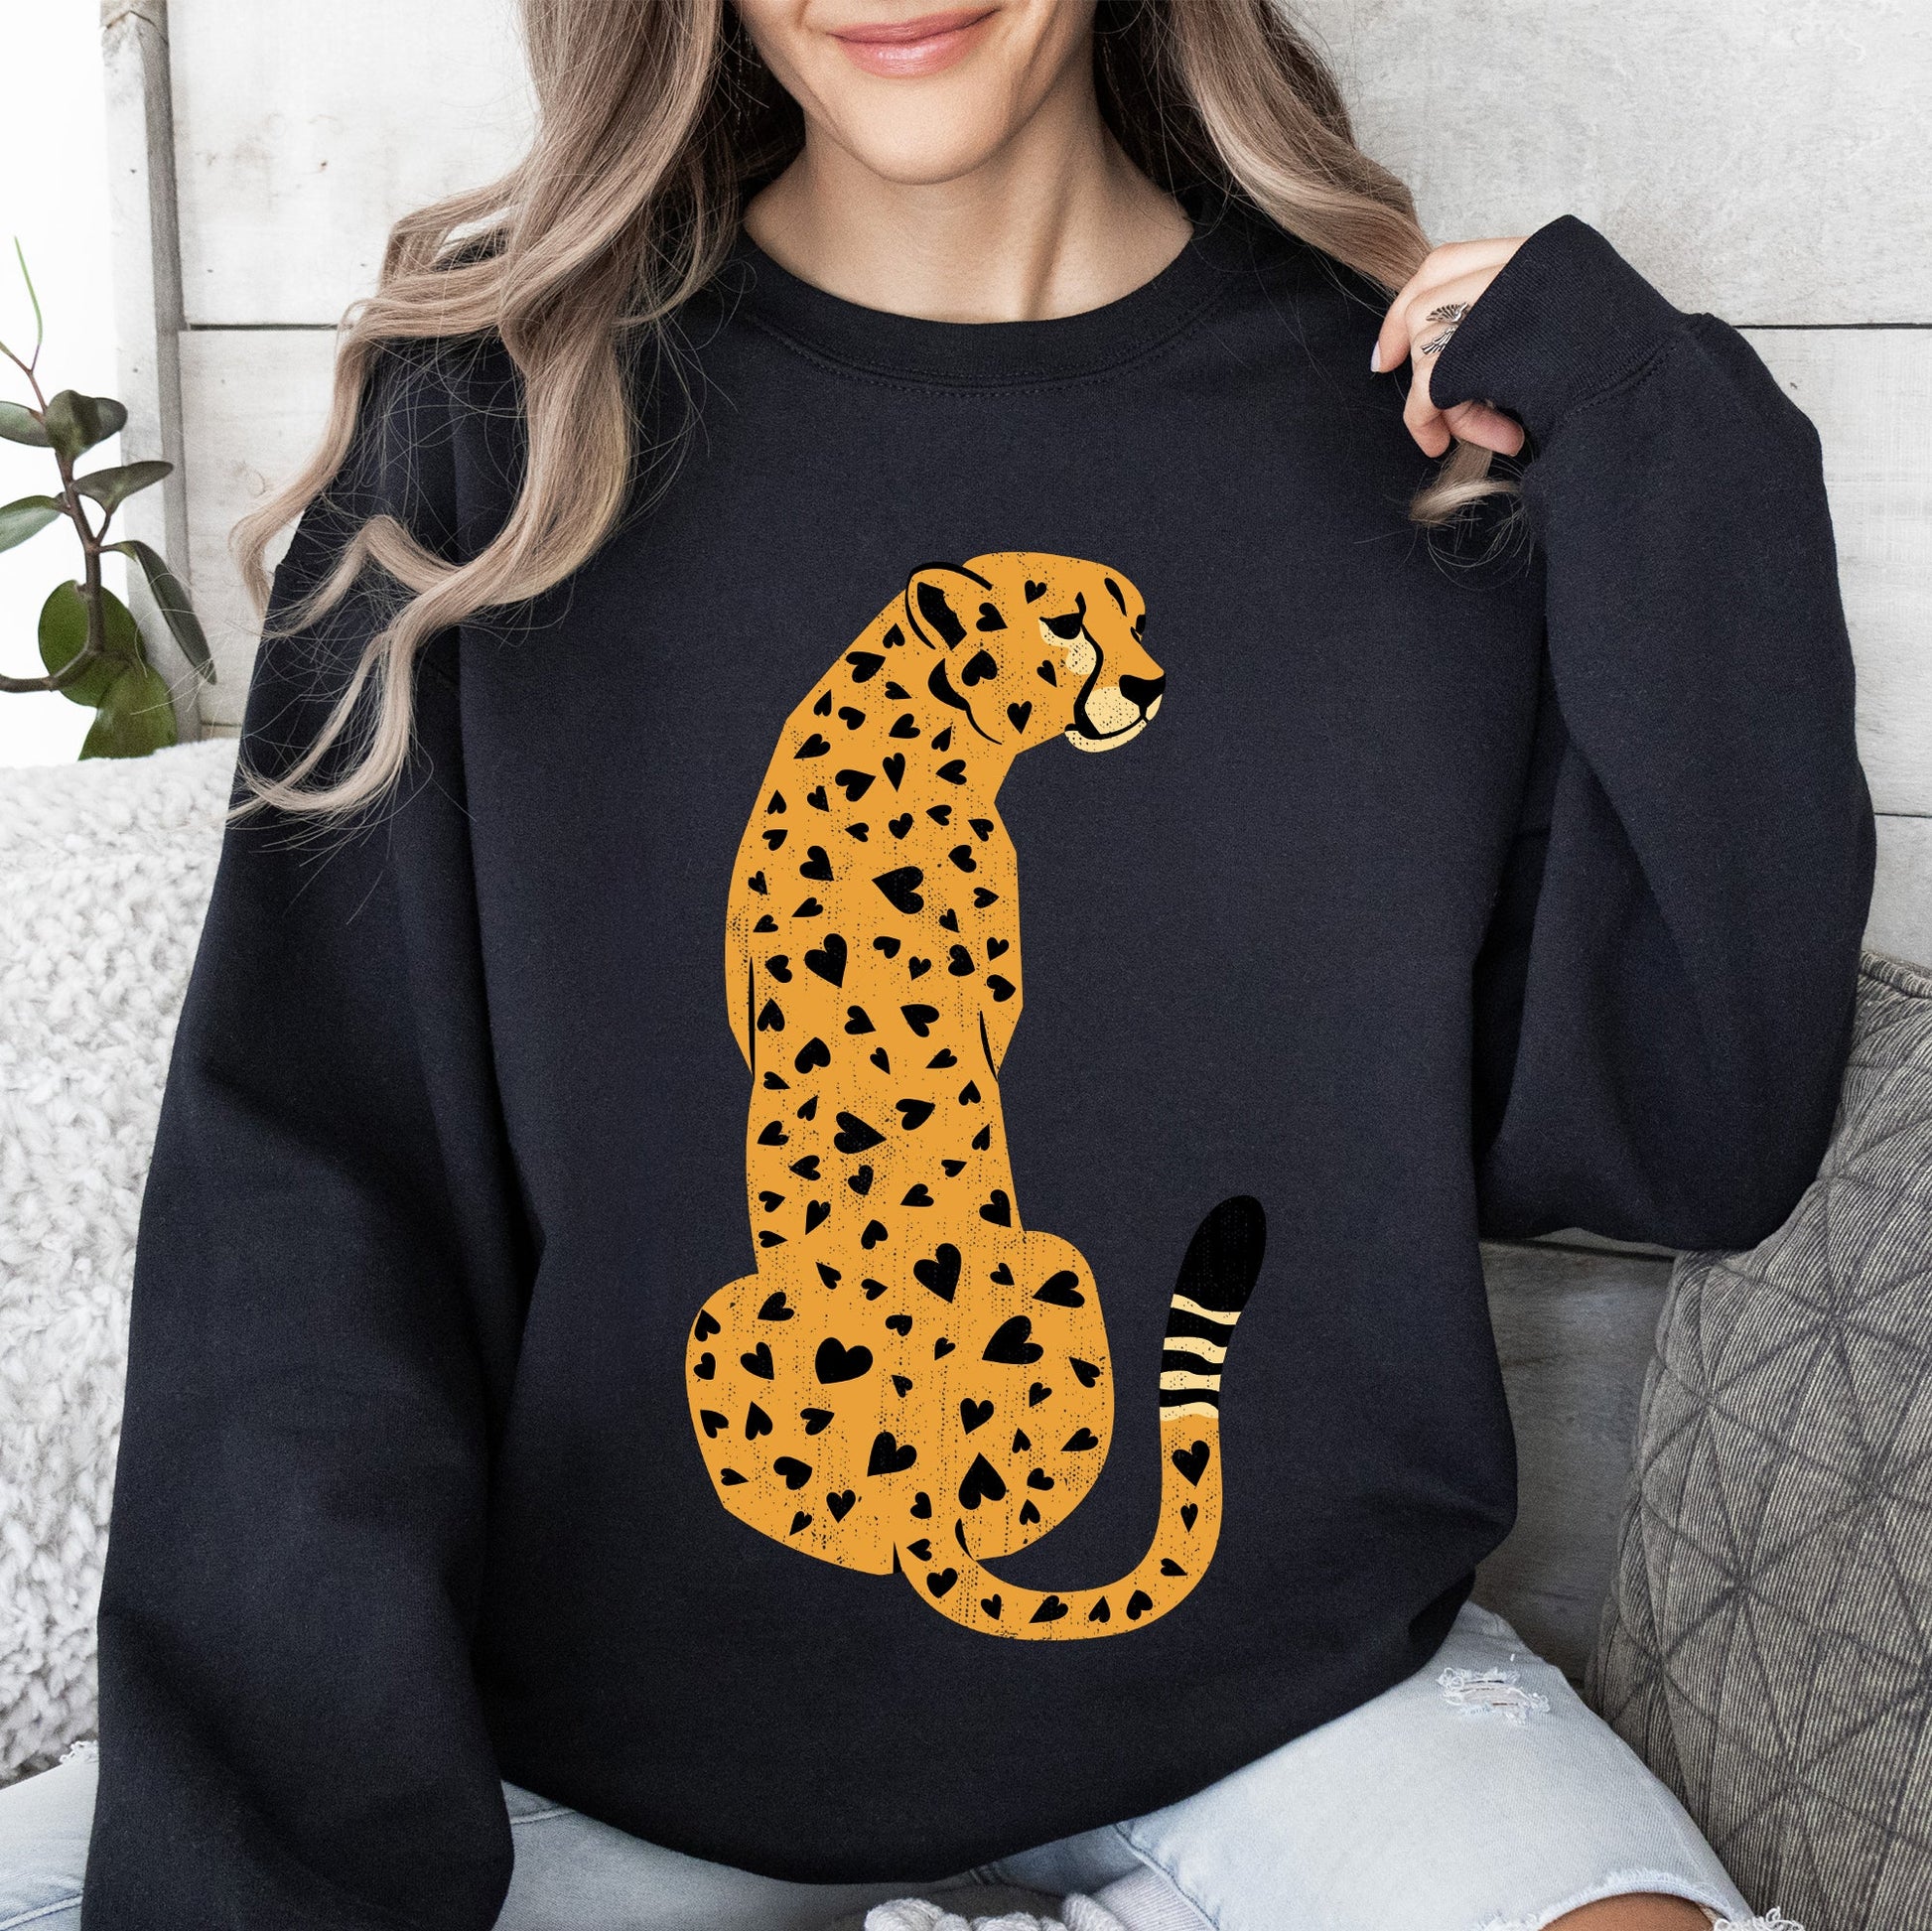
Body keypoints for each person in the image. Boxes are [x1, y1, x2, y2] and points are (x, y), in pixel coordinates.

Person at [0, 0, 1871, 1925]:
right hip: (618, 1759)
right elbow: (305, 1236)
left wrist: (1659, 438)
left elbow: (1700, 1129)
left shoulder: (1409, 423)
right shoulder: (500, 436)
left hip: (1306, 1710)